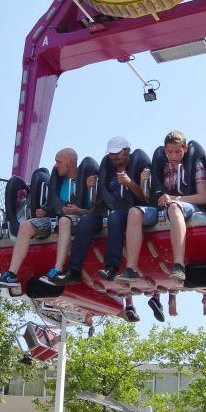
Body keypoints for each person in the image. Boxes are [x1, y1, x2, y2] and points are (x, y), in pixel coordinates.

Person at [115, 130, 206, 321]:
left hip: (188, 205)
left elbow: (203, 197)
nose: (173, 156)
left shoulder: (195, 165)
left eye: (177, 152)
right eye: (170, 152)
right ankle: (131, 268)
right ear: (165, 150)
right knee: (134, 213)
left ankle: (179, 265)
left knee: (174, 208)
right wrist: (143, 182)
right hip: (161, 207)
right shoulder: (160, 166)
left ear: (185, 148)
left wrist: (175, 198)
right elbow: (148, 198)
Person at [54, 136, 149, 322]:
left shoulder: (138, 165)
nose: (114, 157)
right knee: (86, 222)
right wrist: (93, 189)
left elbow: (145, 199)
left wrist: (129, 183)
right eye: (111, 154)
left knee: (115, 218)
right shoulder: (107, 167)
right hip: (107, 210)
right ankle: (74, 271)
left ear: (127, 151)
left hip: (128, 210)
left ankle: (111, 267)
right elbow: (98, 201)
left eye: (117, 154)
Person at [0, 148, 83, 293]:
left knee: (64, 221)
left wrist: (78, 210)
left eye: (59, 162)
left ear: (70, 163)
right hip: (54, 219)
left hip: (76, 218)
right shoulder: (57, 181)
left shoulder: (85, 180)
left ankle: (57, 269)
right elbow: (51, 203)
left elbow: (93, 208)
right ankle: (11, 275)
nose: (56, 165)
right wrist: (44, 211)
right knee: (26, 226)